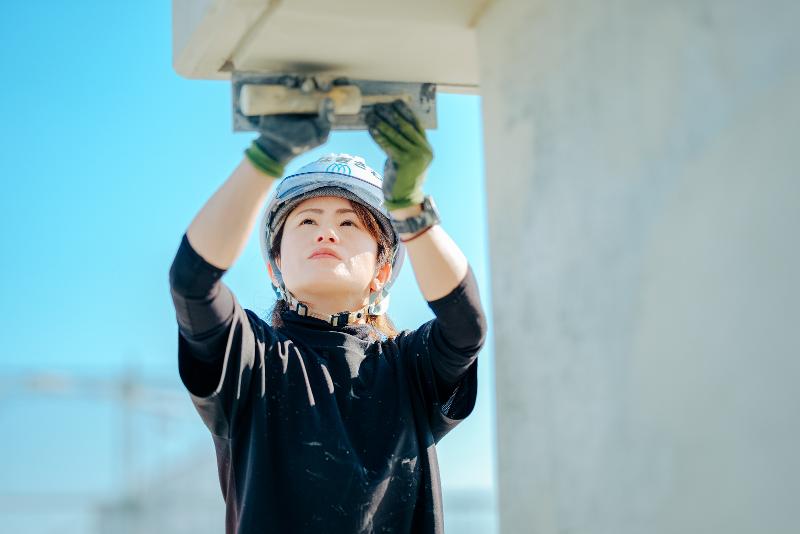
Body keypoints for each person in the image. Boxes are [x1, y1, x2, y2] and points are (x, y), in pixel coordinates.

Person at [168, 76, 487, 533]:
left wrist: (412, 209)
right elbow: (192, 283)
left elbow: (466, 326)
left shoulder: (408, 370)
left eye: (349, 223)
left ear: (382, 270)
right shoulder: (252, 359)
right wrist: (268, 155)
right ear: (275, 264)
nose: (327, 232)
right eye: (307, 219)